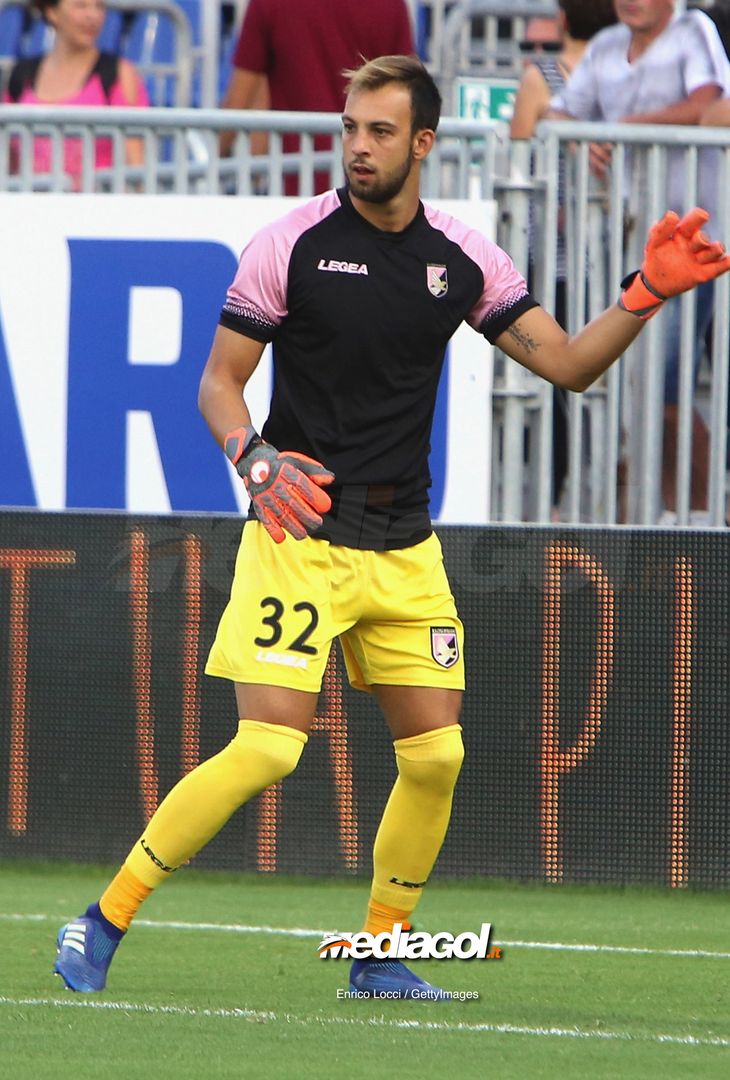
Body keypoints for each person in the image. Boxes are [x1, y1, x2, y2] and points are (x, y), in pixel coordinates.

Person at [52, 55, 730, 1001]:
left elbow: (571, 366)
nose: (357, 147)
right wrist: (253, 458)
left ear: (422, 144)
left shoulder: (461, 260)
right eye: (349, 128)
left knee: (439, 754)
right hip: (298, 533)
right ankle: (103, 917)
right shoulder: (288, 243)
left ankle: (378, 954)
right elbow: (217, 383)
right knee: (270, 748)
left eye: (378, 132)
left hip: (406, 548)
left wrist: (643, 293)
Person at [548, 0, 730, 518]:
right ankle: (673, 514)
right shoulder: (606, 44)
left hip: (695, 246)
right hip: (624, 243)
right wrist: (583, 144)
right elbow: (558, 114)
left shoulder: (695, 31)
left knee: (664, 383)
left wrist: (624, 125)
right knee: (639, 386)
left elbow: (710, 105)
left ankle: (700, 510)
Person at [510, 0, 618, 510]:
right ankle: (577, 505)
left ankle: (557, 504)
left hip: (558, 258)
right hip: (595, 259)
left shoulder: (542, 78)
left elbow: (515, 166)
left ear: (567, 17)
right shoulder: (621, 77)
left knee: (556, 384)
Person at [219, 0, 414, 193]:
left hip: (295, 181)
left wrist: (209, 164)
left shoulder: (269, 5)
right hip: (366, 181)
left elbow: (239, 99)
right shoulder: (391, 5)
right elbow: (409, 98)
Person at [3, 0, 149, 190]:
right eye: (81, 5)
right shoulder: (21, 76)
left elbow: (137, 166)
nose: (92, 15)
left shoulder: (118, 74)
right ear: (52, 12)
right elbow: (8, 161)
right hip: (33, 211)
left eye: (99, 6)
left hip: (97, 211)